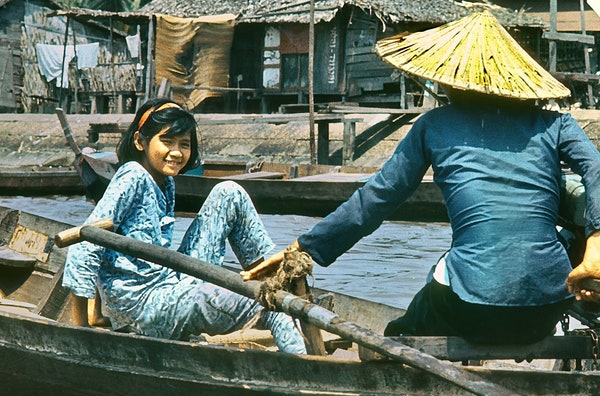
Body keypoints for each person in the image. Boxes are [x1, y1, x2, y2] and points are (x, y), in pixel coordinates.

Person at [243, 89, 600, 345]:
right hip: (547, 308)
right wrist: (595, 246)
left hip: (468, 308)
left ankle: (395, 344)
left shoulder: (434, 124)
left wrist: (301, 250)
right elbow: (596, 167)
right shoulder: (557, 123)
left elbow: (377, 198)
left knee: (403, 328)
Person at [63, 98, 306, 355]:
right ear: (139, 142)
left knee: (229, 193)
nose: (177, 152)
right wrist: (82, 330)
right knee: (270, 303)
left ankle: (274, 275)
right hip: (146, 309)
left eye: (184, 144)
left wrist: (98, 310)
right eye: (167, 141)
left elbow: (113, 242)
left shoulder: (164, 182)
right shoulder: (133, 175)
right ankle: (307, 369)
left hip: (167, 283)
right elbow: (86, 243)